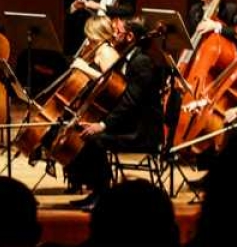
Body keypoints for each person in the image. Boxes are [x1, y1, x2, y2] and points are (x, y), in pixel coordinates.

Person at [68, 15, 165, 210]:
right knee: (80, 132)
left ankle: (103, 196)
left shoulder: (141, 62)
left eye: (117, 32)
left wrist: (102, 124)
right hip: (129, 123)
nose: (113, 35)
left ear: (129, 37)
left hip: (142, 131)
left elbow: (129, 101)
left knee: (93, 139)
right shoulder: (128, 57)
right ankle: (95, 191)